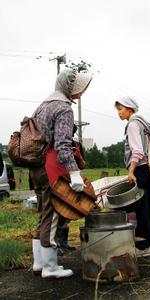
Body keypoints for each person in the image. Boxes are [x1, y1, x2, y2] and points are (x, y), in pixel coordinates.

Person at [29, 68, 92, 279]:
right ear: (69, 87)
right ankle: (50, 267)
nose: (81, 92)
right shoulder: (63, 108)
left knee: (43, 213)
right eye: (79, 88)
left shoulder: (42, 106)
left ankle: (39, 263)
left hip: (36, 167)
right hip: (51, 168)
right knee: (53, 216)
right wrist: (74, 174)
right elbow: (63, 145)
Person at [115, 96, 150, 257]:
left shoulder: (133, 124)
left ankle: (144, 246)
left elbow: (137, 151)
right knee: (149, 206)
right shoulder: (143, 124)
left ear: (130, 109)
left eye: (121, 109)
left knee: (141, 208)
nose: (119, 113)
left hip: (139, 168)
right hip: (148, 169)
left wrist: (131, 171)